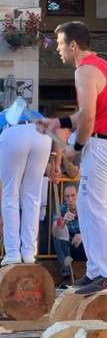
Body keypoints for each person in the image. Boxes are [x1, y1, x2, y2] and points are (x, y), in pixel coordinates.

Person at [40, 21, 107, 294]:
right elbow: (87, 114)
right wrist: (60, 122)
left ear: (73, 45)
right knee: (91, 206)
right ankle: (96, 272)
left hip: (103, 145)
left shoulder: (84, 71)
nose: (58, 50)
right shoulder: (101, 66)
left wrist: (75, 148)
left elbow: (89, 118)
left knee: (93, 208)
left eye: (59, 44)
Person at [0, 101, 52, 265]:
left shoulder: (3, 116)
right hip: (42, 133)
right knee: (33, 196)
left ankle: (13, 252)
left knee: (10, 195)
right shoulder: (31, 112)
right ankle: (29, 252)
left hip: (14, 132)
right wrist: (56, 162)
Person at [51, 185, 86, 283]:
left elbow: (99, 228)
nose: (70, 199)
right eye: (67, 196)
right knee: (58, 234)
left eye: (73, 195)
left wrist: (83, 235)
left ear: (78, 195)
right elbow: (56, 229)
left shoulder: (86, 207)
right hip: (68, 249)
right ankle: (67, 276)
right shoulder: (60, 210)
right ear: (64, 198)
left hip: (85, 247)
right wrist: (63, 221)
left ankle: (98, 275)